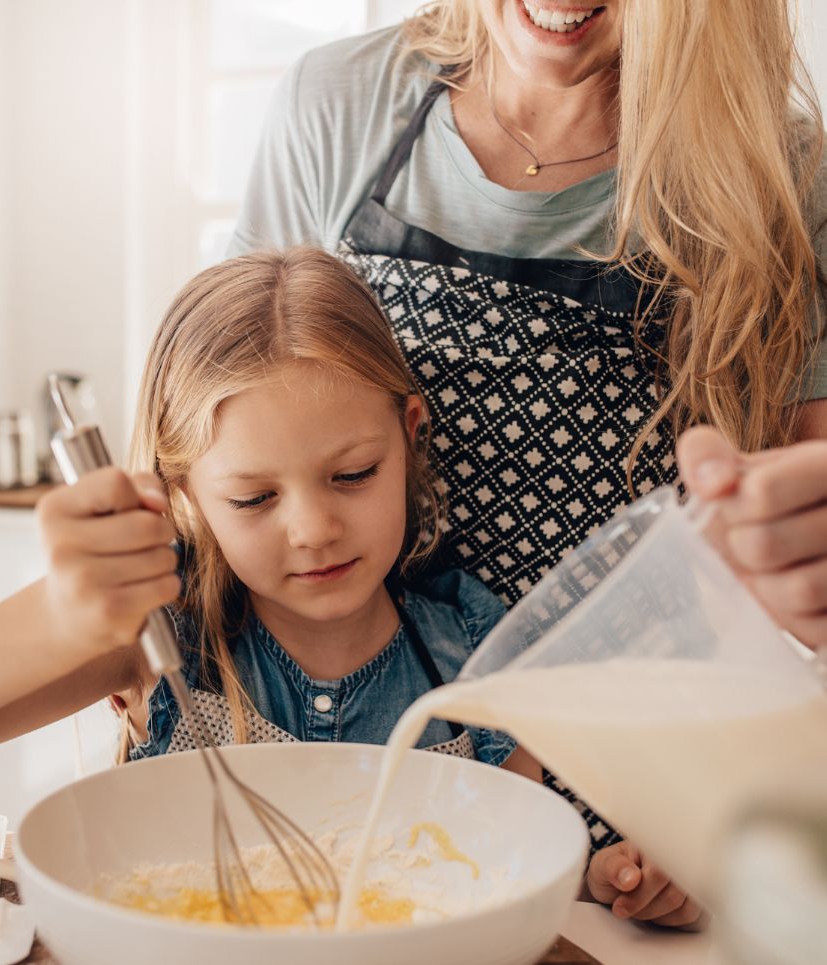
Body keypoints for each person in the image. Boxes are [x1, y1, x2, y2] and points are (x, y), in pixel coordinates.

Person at [0, 247, 699, 928]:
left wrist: (608, 877)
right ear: (184, 495)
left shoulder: (481, 657)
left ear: (411, 434)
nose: (313, 528)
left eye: (353, 474)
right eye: (253, 497)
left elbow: (513, 867)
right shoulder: (162, 644)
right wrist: (57, 614)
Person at [228, 0, 827, 873]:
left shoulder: (779, 171)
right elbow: (220, 422)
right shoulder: (343, 103)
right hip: (367, 767)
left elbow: (802, 563)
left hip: (637, 805)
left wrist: (705, 807)